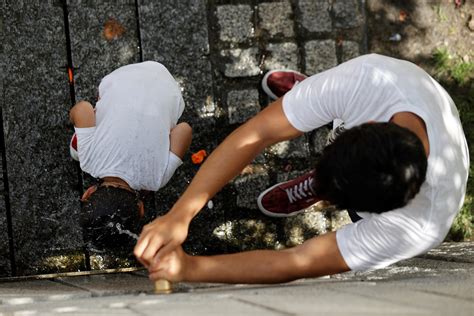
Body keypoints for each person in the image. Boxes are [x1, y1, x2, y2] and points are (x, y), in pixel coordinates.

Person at [134, 54, 469, 283]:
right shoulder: (374, 80)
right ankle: (309, 96)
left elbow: (297, 261)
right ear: (367, 122)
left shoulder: (419, 226)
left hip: (376, 167)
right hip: (358, 96)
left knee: (318, 115)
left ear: (384, 210)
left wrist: (190, 268)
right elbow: (257, 133)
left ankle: (313, 138)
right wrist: (180, 214)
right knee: (313, 104)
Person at [69, 61, 192, 252]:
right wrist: (80, 116)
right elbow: (82, 108)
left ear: (141, 208)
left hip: (169, 89)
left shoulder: (156, 180)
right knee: (82, 141)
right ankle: (82, 137)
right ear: (88, 193)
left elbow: (184, 129)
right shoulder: (89, 161)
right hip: (119, 79)